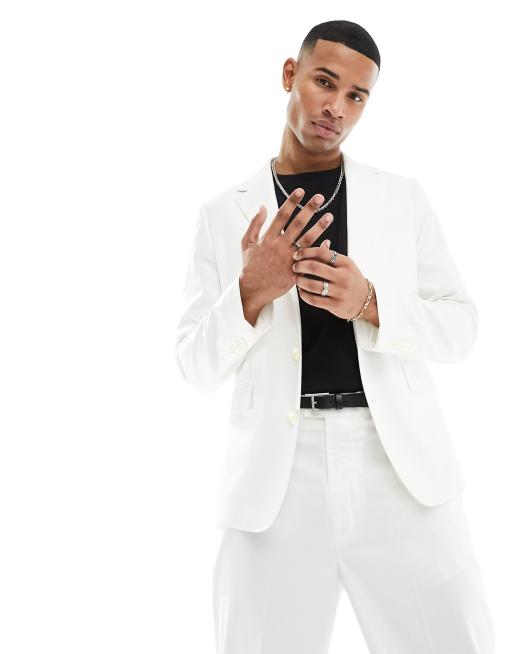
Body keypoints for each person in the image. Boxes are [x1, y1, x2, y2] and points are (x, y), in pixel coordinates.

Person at [175, 19, 496, 654]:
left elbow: (461, 327)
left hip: (397, 465)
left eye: (356, 95)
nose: (337, 108)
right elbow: (193, 365)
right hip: (273, 479)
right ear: (289, 75)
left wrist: (371, 303)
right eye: (325, 82)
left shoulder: (402, 199)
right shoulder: (221, 214)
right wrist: (250, 292)